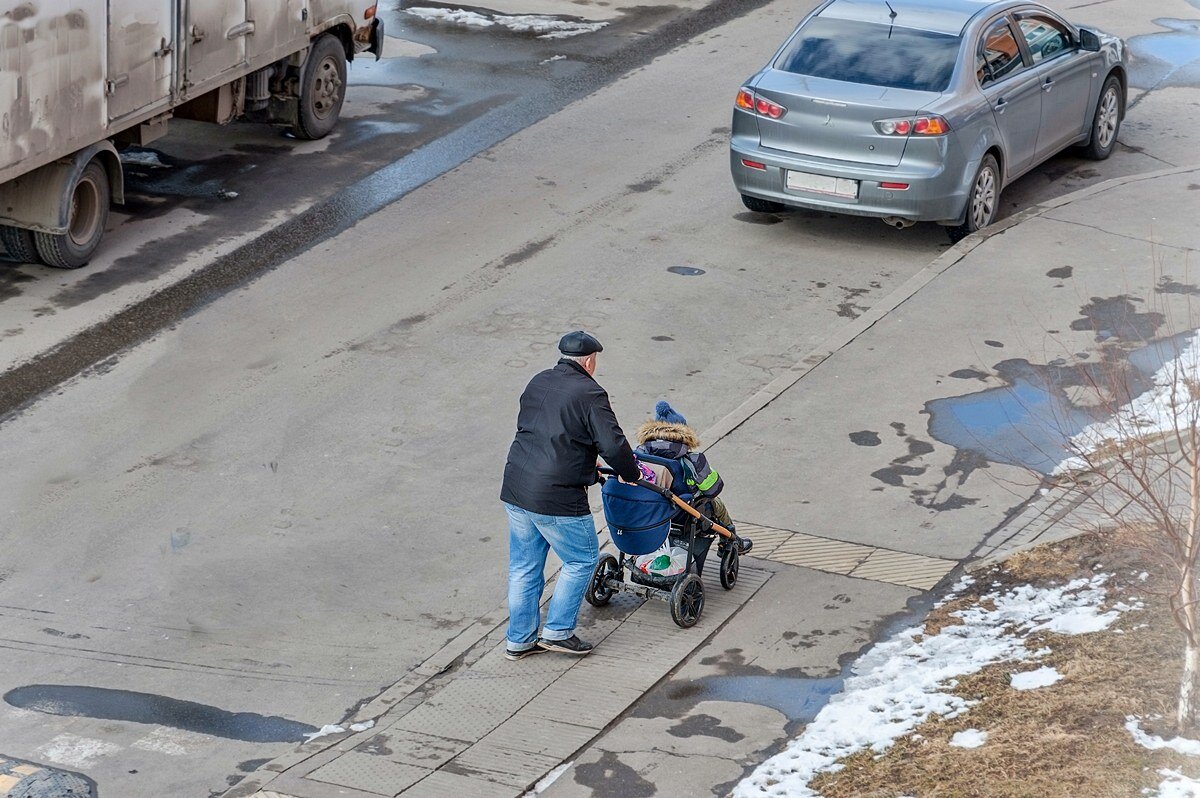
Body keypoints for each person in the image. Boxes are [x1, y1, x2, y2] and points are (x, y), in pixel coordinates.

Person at [500, 330, 642, 661]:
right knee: (580, 559)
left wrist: (581, 457)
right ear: (590, 361)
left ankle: (519, 640)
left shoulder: (538, 381)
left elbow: (545, 430)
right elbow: (613, 444)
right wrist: (630, 473)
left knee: (524, 567)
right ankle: (558, 632)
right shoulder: (591, 393)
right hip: (556, 495)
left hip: (517, 486)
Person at [634, 401, 752, 564]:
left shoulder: (640, 454)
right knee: (717, 504)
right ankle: (729, 541)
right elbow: (713, 489)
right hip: (683, 513)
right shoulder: (691, 460)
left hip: (649, 510)